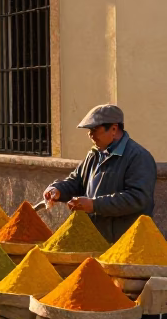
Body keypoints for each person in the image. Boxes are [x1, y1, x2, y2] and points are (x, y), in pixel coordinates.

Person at [43, 104, 157, 243]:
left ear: (114, 129)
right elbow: (76, 181)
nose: (90, 135)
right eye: (89, 130)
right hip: (95, 239)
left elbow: (138, 198)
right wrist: (58, 190)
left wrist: (94, 205)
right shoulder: (94, 154)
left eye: (94, 129)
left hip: (124, 241)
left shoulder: (138, 156)